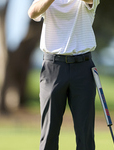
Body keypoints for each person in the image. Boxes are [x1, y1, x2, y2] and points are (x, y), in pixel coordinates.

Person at [28, 0, 100, 149]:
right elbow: (33, 12)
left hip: (83, 68)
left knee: (85, 135)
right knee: (49, 133)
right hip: (53, 67)